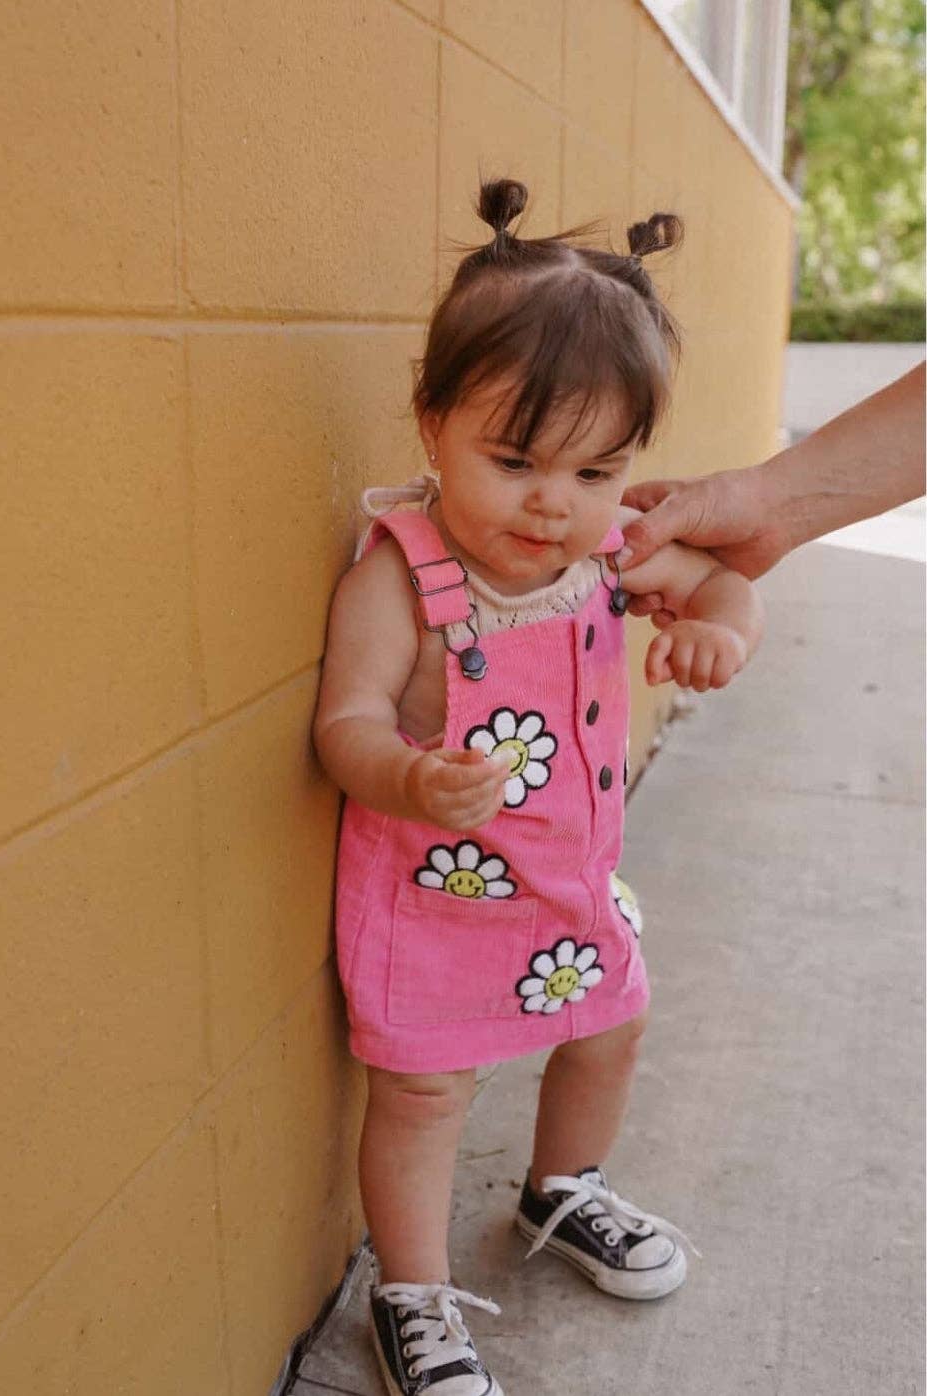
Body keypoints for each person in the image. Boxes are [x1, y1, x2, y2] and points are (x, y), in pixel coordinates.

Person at [312, 178, 764, 1396]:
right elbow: (343, 724)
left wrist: (723, 629)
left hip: (569, 882)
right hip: (434, 898)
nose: (553, 503)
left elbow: (726, 583)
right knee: (421, 1092)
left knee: (611, 1025)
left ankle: (562, 1190)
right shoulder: (399, 578)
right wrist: (404, 772)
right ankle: (410, 1292)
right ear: (431, 421)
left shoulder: (603, 553)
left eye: (597, 470)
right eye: (512, 461)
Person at [617, 362, 925, 624]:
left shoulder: (610, 533)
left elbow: (714, 584)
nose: (567, 506)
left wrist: (722, 635)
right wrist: (772, 507)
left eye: (592, 474)